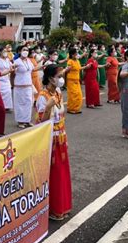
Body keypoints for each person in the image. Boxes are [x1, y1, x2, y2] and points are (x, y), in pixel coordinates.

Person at [36, 64, 72, 220]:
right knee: (54, 174)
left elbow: (62, 118)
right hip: (50, 140)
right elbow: (40, 122)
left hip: (61, 138)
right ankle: (53, 209)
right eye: (59, 76)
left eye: (62, 76)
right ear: (50, 78)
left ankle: (63, 205)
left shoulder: (58, 93)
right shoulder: (42, 97)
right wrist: (48, 107)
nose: (61, 79)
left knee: (63, 172)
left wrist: (66, 137)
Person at [13, 46, 42, 128]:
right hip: (19, 86)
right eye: (24, 50)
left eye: (27, 50)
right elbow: (12, 72)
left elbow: (33, 69)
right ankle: (20, 121)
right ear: (20, 51)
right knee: (20, 104)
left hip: (29, 85)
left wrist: (42, 67)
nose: (25, 51)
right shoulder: (17, 61)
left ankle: (27, 120)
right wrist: (12, 83)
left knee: (29, 103)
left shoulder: (29, 61)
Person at [66, 48, 90, 114]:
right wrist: (68, 68)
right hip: (71, 80)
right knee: (73, 95)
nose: (77, 54)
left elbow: (79, 68)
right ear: (72, 54)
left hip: (77, 79)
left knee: (79, 94)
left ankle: (76, 108)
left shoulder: (77, 61)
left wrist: (85, 67)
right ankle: (70, 109)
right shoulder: (70, 61)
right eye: (75, 53)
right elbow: (67, 69)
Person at [0, 47, 13, 112]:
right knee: (1, 93)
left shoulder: (7, 60)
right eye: (4, 51)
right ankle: (1, 106)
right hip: (0, 79)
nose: (5, 53)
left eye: (6, 51)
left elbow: (11, 66)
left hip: (7, 79)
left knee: (8, 92)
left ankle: (7, 107)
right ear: (0, 52)